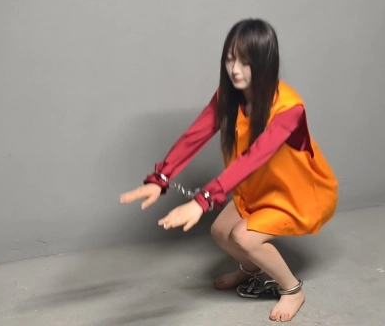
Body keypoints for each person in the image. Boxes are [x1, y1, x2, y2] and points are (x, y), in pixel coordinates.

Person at [120, 18, 339, 323]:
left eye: (246, 62)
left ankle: (292, 290)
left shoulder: (289, 108)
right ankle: (251, 269)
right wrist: (160, 179)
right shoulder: (228, 96)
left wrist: (202, 201)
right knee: (220, 232)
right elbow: (195, 136)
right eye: (230, 59)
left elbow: (254, 158)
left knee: (243, 237)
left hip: (298, 193)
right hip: (257, 187)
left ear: (265, 63)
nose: (235, 69)